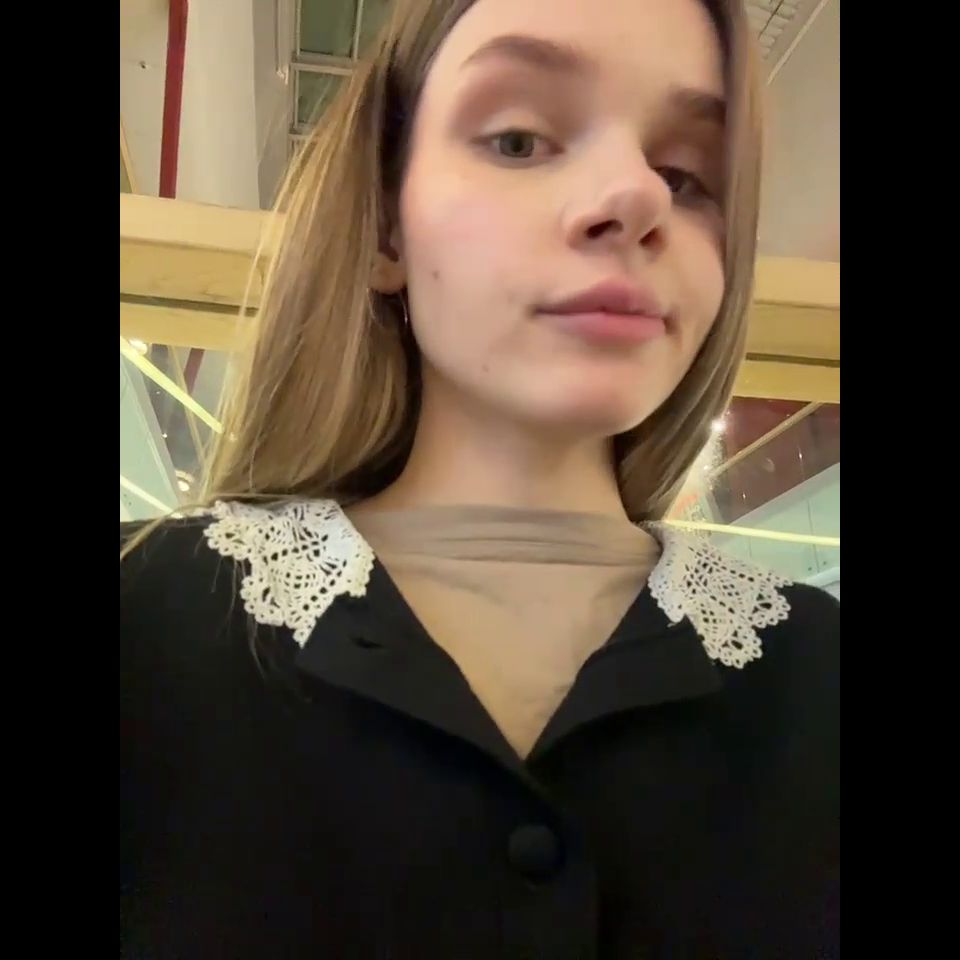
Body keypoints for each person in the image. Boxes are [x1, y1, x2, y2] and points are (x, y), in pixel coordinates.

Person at [120, 0, 840, 956]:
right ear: (386, 226)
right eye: (518, 139)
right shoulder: (148, 617)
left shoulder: (819, 676)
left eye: (686, 176)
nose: (638, 197)